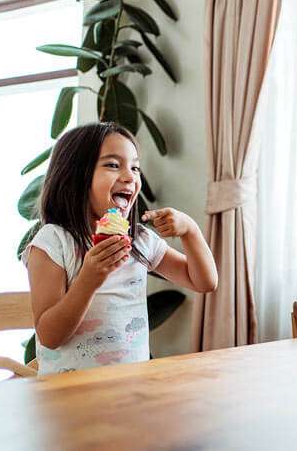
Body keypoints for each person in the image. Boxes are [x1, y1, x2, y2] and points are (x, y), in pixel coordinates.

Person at [23, 122, 217, 375]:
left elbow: (204, 282)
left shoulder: (138, 241)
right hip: (68, 397)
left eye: (135, 167)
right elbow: (49, 336)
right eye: (113, 165)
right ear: (75, 176)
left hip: (129, 388)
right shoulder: (53, 242)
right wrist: (89, 279)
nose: (130, 176)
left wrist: (190, 231)